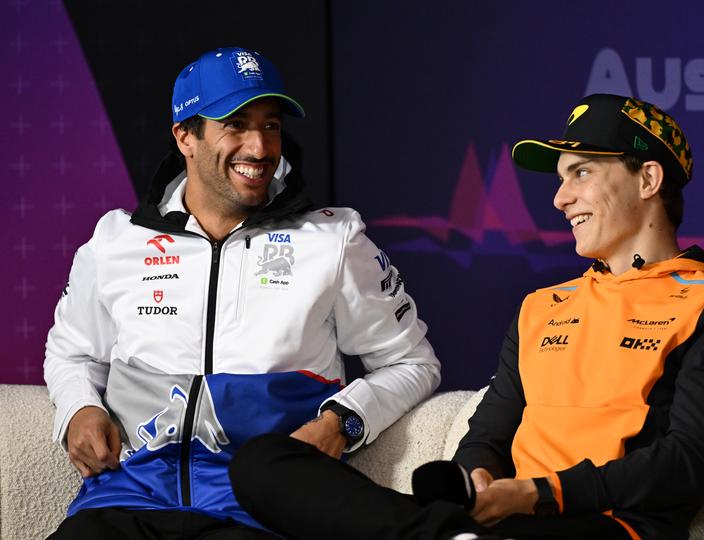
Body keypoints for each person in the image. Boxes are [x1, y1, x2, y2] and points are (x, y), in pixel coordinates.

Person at [227, 94, 704, 540]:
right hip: (501, 522)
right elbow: (487, 432)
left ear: (648, 179)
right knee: (263, 463)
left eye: (580, 173)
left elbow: (690, 462)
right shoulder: (543, 305)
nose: (560, 199)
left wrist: (540, 494)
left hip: (606, 527)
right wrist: (477, 475)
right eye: (561, 178)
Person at [43, 46, 441, 539]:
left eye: (271, 125)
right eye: (235, 124)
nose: (259, 147)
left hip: (258, 509)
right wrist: (80, 407)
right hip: (124, 499)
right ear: (185, 136)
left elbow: (413, 364)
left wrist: (343, 421)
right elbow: (70, 353)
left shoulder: (333, 241)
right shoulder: (115, 241)